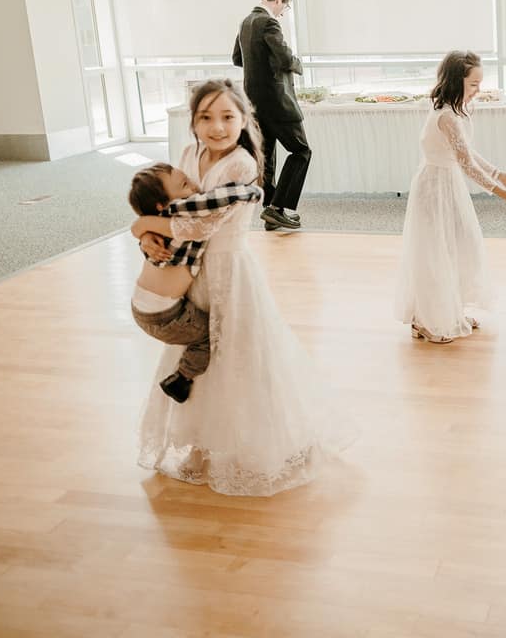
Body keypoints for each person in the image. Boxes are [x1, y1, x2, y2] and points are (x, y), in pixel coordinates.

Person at [136, 79, 357, 495]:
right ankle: (202, 443)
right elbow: (167, 209)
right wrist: (148, 235)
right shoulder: (189, 154)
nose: (217, 127)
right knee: (198, 352)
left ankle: (266, 440)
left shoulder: (241, 165)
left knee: (239, 353)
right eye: (205, 118)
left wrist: (148, 225)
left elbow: (200, 223)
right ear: (193, 122)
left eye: (227, 117)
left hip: (231, 272)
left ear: (243, 120)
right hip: (194, 273)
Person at [394, 50, 506, 344]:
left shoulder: (458, 111)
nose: (478, 91)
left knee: (457, 247)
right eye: (473, 85)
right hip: (434, 188)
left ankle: (447, 311)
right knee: (435, 251)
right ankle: (427, 320)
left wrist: (499, 173)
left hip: (449, 184)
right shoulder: (445, 116)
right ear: (456, 82)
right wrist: (501, 193)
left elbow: (467, 152)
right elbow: (466, 162)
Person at [127, 163, 262, 402]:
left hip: (141, 306)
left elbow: (142, 230)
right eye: (184, 185)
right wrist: (253, 192)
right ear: (163, 205)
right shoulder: (182, 210)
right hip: (166, 316)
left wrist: (143, 230)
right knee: (210, 336)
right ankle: (182, 378)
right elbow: (219, 199)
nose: (194, 186)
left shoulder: (157, 221)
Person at [232, 0, 310, 231]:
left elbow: (237, 58)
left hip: (254, 103)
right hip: (277, 102)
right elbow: (285, 58)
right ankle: (277, 208)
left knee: (268, 157)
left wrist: (260, 70)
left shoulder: (246, 21)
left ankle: (270, 210)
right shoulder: (268, 22)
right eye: (284, 8)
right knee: (301, 152)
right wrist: (298, 65)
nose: (282, 13)